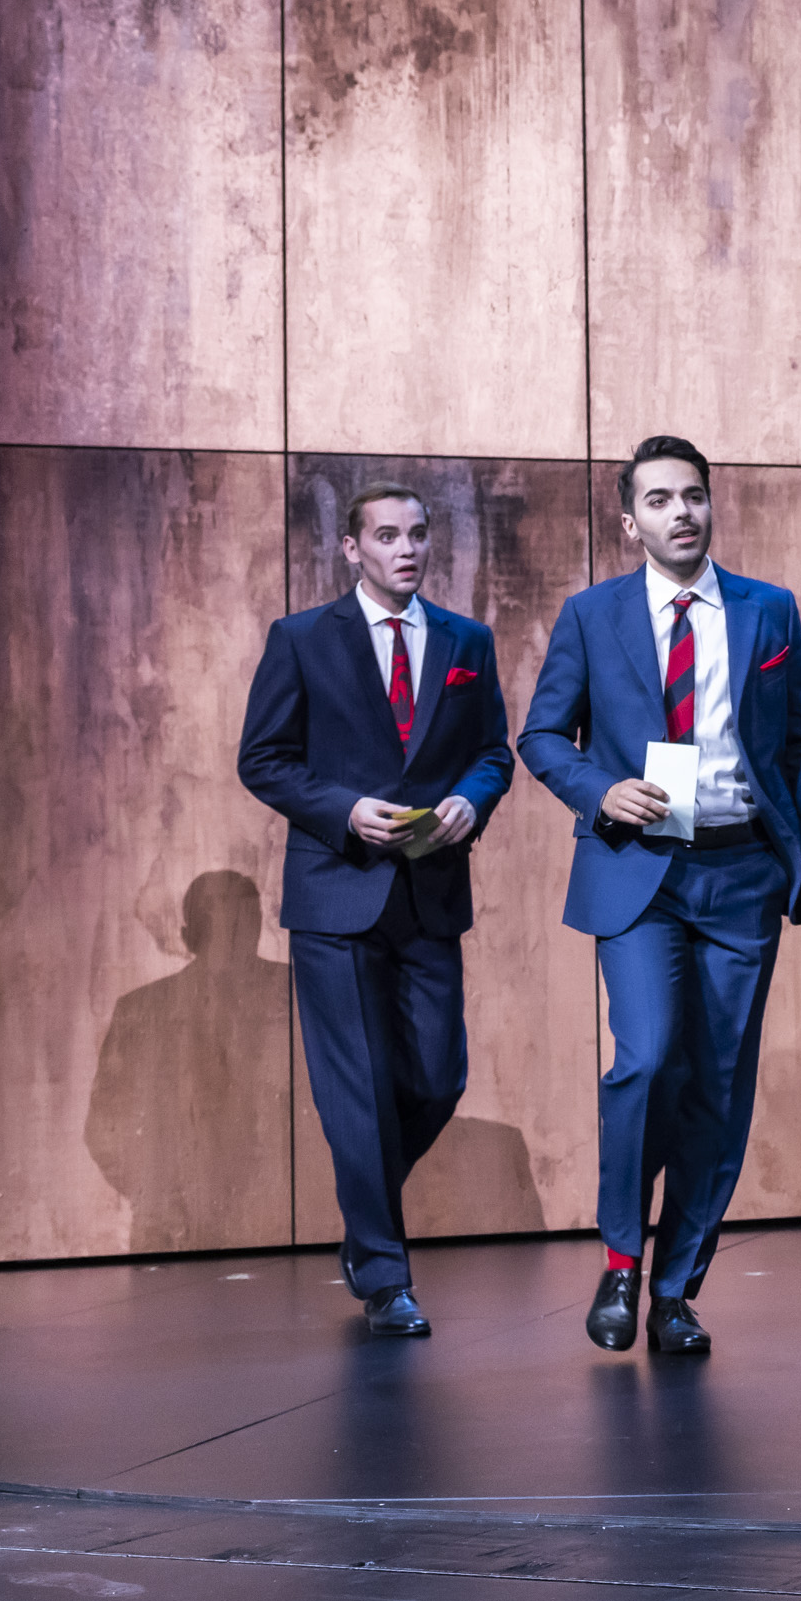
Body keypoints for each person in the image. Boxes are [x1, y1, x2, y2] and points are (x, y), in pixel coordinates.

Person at [519, 436, 801, 1357]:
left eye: (693, 495)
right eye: (659, 500)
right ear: (631, 522)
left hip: (741, 871)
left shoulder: (767, 609)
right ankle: (622, 1256)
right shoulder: (592, 615)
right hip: (639, 869)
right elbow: (541, 736)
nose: (681, 512)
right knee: (649, 1058)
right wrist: (599, 790)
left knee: (719, 1085)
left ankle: (673, 1290)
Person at [236, 482, 515, 1338]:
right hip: (336, 890)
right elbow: (263, 759)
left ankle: (364, 1220)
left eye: (418, 534)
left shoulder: (467, 641)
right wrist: (344, 809)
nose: (407, 549)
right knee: (355, 1090)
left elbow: (493, 752)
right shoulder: (300, 638)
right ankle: (385, 1276)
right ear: (351, 548)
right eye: (387, 536)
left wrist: (471, 799)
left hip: (430, 888)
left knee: (435, 1078)